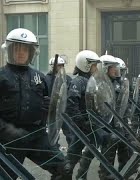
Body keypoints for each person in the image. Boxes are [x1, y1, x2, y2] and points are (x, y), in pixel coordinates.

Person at [0, 28, 71, 179]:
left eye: (25, 49)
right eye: (17, 48)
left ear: (31, 53)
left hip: (36, 136)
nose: (20, 52)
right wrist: (8, 131)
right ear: (9, 50)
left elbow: (53, 110)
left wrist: (47, 109)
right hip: (7, 141)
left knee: (64, 168)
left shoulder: (39, 77)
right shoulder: (1, 77)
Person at [63, 50, 101, 175]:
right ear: (86, 65)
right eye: (94, 65)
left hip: (89, 123)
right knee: (74, 152)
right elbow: (71, 104)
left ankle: (81, 173)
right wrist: (81, 122)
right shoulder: (78, 81)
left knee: (94, 145)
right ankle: (65, 174)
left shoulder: (91, 81)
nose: (96, 68)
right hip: (80, 125)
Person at [45, 56, 73, 147]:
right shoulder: (47, 79)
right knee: (53, 133)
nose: (61, 68)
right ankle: (54, 151)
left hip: (64, 110)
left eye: (62, 66)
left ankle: (73, 153)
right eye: (59, 66)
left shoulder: (67, 79)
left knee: (70, 133)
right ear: (53, 67)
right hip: (53, 111)